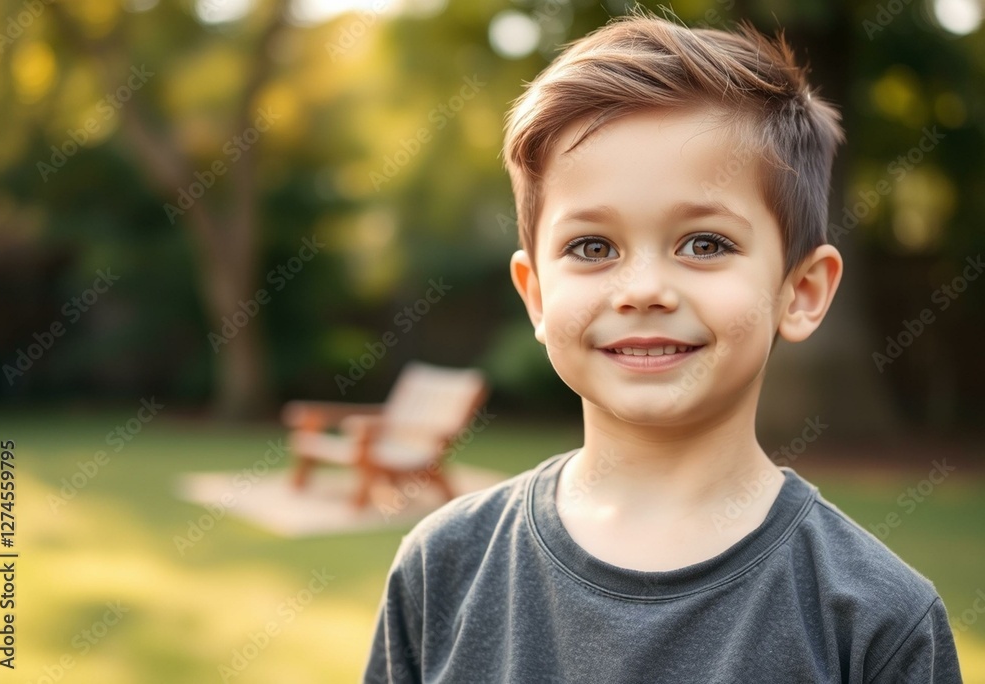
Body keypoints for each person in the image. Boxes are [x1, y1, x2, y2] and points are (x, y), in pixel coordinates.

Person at [363, 12, 963, 683]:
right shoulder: (441, 570)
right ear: (535, 295)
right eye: (593, 247)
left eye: (704, 244)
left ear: (801, 291)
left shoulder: (877, 620)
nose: (643, 289)